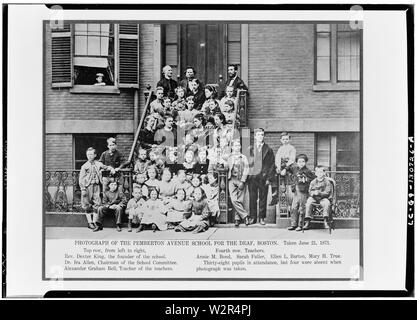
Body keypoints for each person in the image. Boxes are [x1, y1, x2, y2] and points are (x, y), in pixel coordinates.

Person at [247, 128, 275, 225]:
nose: (260, 136)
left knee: (263, 198)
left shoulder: (269, 149)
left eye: (262, 135)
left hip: (263, 177)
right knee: (252, 198)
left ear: (264, 136)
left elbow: (271, 165)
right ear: (255, 136)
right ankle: (253, 217)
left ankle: (262, 218)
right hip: (252, 177)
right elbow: (246, 163)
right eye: (258, 135)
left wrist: (269, 178)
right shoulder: (250, 148)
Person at [79, 147, 108, 229]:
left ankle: (95, 222)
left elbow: (105, 167)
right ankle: (90, 222)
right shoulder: (84, 166)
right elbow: (81, 178)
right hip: (88, 187)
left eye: (91, 154)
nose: (89, 156)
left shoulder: (98, 164)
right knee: (87, 204)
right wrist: (83, 189)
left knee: (97, 203)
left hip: (96, 186)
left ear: (95, 155)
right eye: (88, 154)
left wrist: (111, 168)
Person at [286, 154, 315, 231]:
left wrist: (306, 180)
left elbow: (313, 180)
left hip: (303, 191)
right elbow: (288, 169)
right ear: (296, 162)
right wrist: (290, 162)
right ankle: (293, 224)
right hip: (296, 190)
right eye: (299, 161)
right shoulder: (295, 168)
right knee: (294, 208)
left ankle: (300, 225)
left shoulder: (307, 171)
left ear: (305, 162)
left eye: (303, 161)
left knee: (302, 208)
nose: (301, 163)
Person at [270, 131, 297, 206]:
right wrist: (278, 167)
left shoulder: (292, 148)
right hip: (282, 165)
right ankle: (275, 195)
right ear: (281, 140)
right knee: (274, 174)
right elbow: (277, 159)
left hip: (289, 165)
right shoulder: (280, 148)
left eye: (287, 139)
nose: (285, 141)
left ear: (289, 140)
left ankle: (292, 188)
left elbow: (292, 159)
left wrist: (285, 168)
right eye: (283, 139)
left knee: (292, 175)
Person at [228, 139, 250, 227]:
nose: (237, 147)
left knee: (239, 199)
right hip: (232, 180)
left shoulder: (243, 157)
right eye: (235, 146)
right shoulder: (229, 157)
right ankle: (245, 216)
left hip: (240, 179)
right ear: (232, 147)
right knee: (234, 199)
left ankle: (237, 219)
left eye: (238, 145)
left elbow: (247, 169)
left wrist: (243, 181)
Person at [304, 166, 333, 230]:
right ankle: (307, 221)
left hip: (323, 198)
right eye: (318, 172)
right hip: (314, 198)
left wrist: (319, 193)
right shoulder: (313, 182)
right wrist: (313, 193)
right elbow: (310, 191)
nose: (319, 173)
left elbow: (328, 192)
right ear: (315, 173)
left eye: (321, 172)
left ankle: (325, 221)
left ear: (324, 173)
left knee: (327, 203)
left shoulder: (327, 182)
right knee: (309, 202)